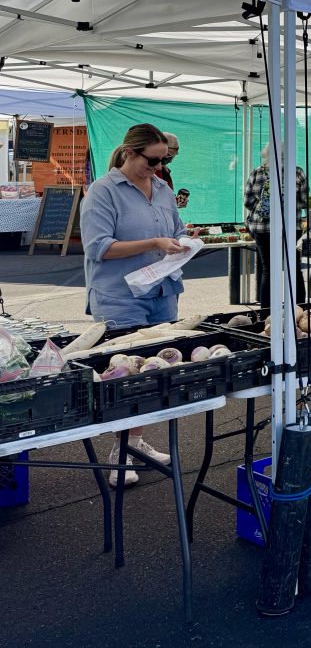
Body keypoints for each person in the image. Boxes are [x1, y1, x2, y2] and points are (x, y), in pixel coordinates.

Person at [80, 123, 185, 485]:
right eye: (152, 160)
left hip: (162, 293)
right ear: (129, 152)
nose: (157, 168)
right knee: (123, 378)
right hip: (120, 296)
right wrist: (154, 242)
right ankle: (119, 451)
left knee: (153, 373)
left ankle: (135, 440)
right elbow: (98, 248)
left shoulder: (161, 188)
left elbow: (177, 229)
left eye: (163, 161)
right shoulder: (103, 191)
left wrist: (186, 241)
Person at [243, 145, 308, 306]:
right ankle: (298, 311)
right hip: (291, 228)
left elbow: (248, 202)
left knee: (268, 270)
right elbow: (304, 201)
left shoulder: (257, 172)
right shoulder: (297, 172)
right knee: (294, 269)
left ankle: (266, 314)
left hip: (263, 229)